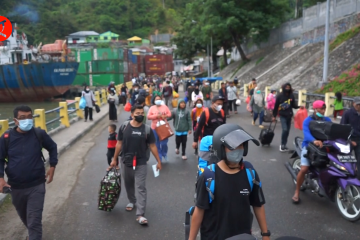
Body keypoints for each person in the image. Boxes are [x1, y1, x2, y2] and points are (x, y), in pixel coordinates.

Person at [189, 124, 270, 240]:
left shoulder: (250, 172)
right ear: (220, 148)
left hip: (242, 236)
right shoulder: (208, 176)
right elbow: (199, 210)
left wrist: (265, 234)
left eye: (241, 145)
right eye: (233, 147)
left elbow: (258, 204)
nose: (239, 149)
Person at [0, 105, 58, 240]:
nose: (27, 120)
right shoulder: (6, 138)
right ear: (15, 121)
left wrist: (52, 166)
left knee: (34, 221)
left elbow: (53, 147)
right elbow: (0, 159)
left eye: (29, 117)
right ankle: (34, 234)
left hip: (36, 185)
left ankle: (34, 234)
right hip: (16, 187)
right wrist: (1, 178)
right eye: (22, 118)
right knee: (25, 217)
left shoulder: (39, 134)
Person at [110, 105, 162, 225]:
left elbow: (152, 146)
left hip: (141, 161)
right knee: (128, 183)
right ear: (132, 114)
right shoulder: (124, 126)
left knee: (141, 187)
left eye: (142, 113)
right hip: (126, 160)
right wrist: (114, 160)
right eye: (138, 113)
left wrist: (158, 161)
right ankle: (132, 201)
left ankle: (140, 214)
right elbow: (119, 144)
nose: (140, 115)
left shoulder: (147, 129)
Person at [292, 100, 331, 203]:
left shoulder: (327, 120)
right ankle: (296, 192)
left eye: (324, 109)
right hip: (309, 146)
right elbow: (306, 133)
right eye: (321, 109)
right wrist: (315, 141)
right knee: (304, 168)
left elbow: (332, 131)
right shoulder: (308, 120)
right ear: (315, 109)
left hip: (323, 147)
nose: (323, 111)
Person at [272, 83, 301, 152]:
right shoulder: (279, 96)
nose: (287, 88)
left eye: (289, 87)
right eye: (286, 87)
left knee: (287, 131)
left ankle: (284, 145)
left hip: (289, 115)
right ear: (284, 87)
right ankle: (282, 144)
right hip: (282, 115)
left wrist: (299, 106)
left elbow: (294, 105)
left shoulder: (291, 95)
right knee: (284, 129)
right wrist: (274, 116)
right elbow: (276, 106)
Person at [147, 95, 172, 162]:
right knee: (156, 143)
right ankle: (159, 157)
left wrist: (165, 116)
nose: (158, 100)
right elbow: (148, 117)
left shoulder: (165, 107)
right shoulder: (152, 108)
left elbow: (169, 114)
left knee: (164, 143)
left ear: (161, 100)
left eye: (159, 99)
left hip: (163, 127)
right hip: (154, 128)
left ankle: (164, 153)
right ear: (154, 101)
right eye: (156, 99)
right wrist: (156, 116)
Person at [340, 97, 360, 179]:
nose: (359, 106)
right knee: (345, 158)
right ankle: (344, 175)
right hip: (349, 140)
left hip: (359, 140)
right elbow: (342, 127)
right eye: (358, 104)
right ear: (353, 104)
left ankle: (358, 178)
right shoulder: (347, 113)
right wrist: (349, 140)